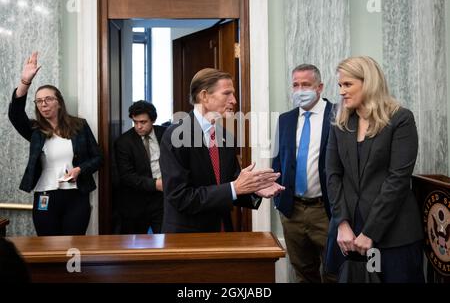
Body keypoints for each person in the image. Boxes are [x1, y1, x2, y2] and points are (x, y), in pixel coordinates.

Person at [326, 56, 424, 283]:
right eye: (340, 85)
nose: (341, 91)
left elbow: (398, 180)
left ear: (368, 82)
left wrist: (370, 232)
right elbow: (332, 175)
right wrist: (341, 223)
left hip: (394, 235)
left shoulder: (400, 119)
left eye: (348, 84)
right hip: (349, 234)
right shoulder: (340, 122)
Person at [159, 68, 283, 233]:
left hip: (222, 232)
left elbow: (230, 183)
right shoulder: (176, 135)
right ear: (204, 96)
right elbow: (180, 197)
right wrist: (235, 187)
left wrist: (254, 188)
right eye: (227, 93)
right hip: (187, 238)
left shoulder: (225, 136)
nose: (234, 100)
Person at [8, 52, 102, 236]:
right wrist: (25, 82)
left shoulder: (79, 126)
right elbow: (15, 114)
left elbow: (98, 158)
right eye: (39, 101)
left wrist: (80, 170)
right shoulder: (35, 131)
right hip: (45, 195)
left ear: (59, 102)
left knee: (73, 246)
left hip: (76, 195)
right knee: (48, 246)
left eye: (48, 99)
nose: (43, 104)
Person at [272, 64, 335, 283]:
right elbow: (278, 161)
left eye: (306, 85)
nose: (300, 90)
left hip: (326, 210)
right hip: (293, 210)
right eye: (295, 85)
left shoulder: (339, 115)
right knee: (303, 273)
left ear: (320, 87)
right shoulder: (285, 119)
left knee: (334, 273)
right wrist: (279, 200)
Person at [114, 100, 166, 234]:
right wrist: (156, 184)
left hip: (163, 200)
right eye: (135, 122)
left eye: (143, 122)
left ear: (153, 120)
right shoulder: (123, 142)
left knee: (166, 241)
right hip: (136, 202)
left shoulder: (166, 134)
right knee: (136, 247)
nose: (138, 127)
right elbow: (127, 176)